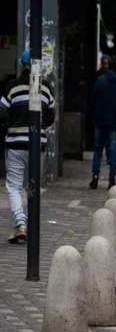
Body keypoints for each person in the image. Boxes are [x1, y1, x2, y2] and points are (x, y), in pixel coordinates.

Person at [0, 50, 56, 243]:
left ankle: (20, 225)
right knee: (32, 185)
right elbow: (51, 116)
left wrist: (11, 127)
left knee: (14, 186)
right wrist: (39, 129)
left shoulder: (12, 87)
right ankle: (32, 225)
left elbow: (2, 113)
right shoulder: (45, 88)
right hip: (36, 143)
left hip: (15, 143)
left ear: (21, 65)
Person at [90, 55, 116, 190]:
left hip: (100, 121)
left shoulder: (100, 80)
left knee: (98, 150)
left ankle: (95, 177)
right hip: (115, 122)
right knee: (113, 152)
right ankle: (112, 179)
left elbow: (93, 99)